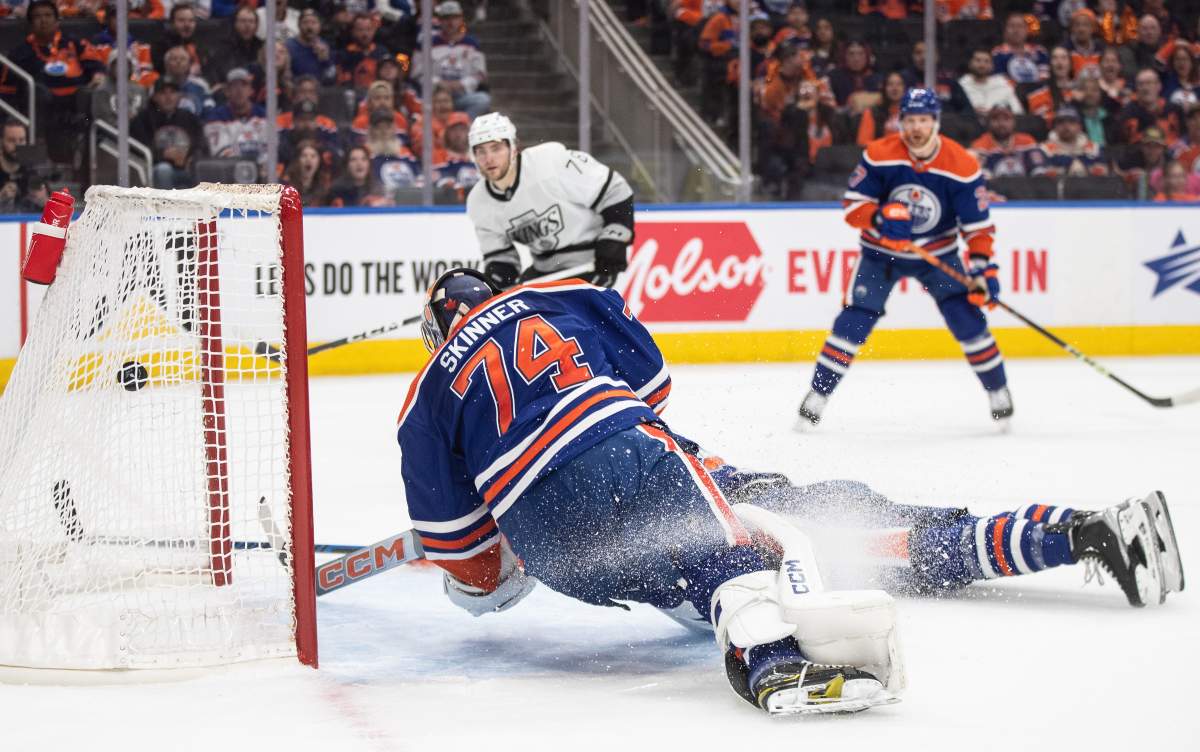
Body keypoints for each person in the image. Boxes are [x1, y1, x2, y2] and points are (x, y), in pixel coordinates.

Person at [400, 267, 1184, 715]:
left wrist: (509, 546)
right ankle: (1073, 532)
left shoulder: (430, 392)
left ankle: (1076, 534)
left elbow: (477, 578)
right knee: (874, 537)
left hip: (631, 533)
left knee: (864, 539)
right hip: (694, 493)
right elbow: (647, 399)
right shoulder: (561, 300)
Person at [797, 88, 1013, 427]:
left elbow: (978, 229)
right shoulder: (880, 154)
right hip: (881, 254)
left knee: (966, 318)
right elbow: (853, 208)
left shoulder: (962, 165)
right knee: (854, 320)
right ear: (900, 122)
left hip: (937, 253)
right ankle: (818, 395)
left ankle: (998, 389)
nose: (916, 128)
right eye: (909, 120)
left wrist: (983, 269)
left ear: (936, 123)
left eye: (923, 120)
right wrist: (881, 217)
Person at [465, 112, 634, 290]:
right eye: (480, 151)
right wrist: (497, 286)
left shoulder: (550, 162)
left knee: (568, 316)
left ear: (513, 148)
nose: (489, 158)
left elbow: (614, 190)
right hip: (544, 271)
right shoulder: (479, 202)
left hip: (592, 261)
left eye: (496, 148)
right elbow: (501, 259)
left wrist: (615, 238)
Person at [411, 1, 490, 118]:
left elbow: (480, 74)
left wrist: (462, 84)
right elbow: (417, 73)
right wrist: (438, 83)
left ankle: (462, 127)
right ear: (439, 20)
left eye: (454, 18)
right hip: (434, 96)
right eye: (446, 18)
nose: (451, 22)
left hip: (462, 95)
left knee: (483, 100)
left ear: (461, 19)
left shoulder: (472, 44)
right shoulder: (426, 43)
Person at [131, 76, 205, 188]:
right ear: (155, 97)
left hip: (187, 169)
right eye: (163, 93)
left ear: (179, 96)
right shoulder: (143, 119)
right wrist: (163, 155)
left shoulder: (189, 118)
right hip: (154, 172)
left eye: (173, 92)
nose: (168, 97)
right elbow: (138, 149)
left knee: (202, 169)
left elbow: (202, 144)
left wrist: (191, 158)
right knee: (164, 170)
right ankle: (166, 205)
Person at [969, 103, 1043, 178]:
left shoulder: (1027, 141)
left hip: (1025, 186)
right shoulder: (980, 144)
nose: (1001, 124)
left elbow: (1039, 171)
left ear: (1014, 122)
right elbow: (979, 177)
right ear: (989, 123)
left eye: (1006, 119)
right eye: (995, 119)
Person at [1035, 105, 1108, 178]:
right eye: (1061, 122)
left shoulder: (1094, 149)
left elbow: (1104, 174)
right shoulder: (1043, 150)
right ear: (1055, 126)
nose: (1066, 126)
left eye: (1071, 121)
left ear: (1079, 126)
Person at [959, 47, 1024, 118]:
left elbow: (1018, 111)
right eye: (978, 60)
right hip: (969, 124)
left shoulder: (1003, 85)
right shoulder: (961, 85)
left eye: (987, 61)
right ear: (970, 64)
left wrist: (998, 113)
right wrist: (970, 111)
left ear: (992, 66)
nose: (982, 65)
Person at [991, 12, 1049, 84]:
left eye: (1020, 26)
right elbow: (999, 81)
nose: (1016, 30)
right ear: (1005, 31)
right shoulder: (997, 53)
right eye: (1012, 26)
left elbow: (1044, 79)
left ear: (1027, 30)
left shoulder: (1039, 51)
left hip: (1035, 93)